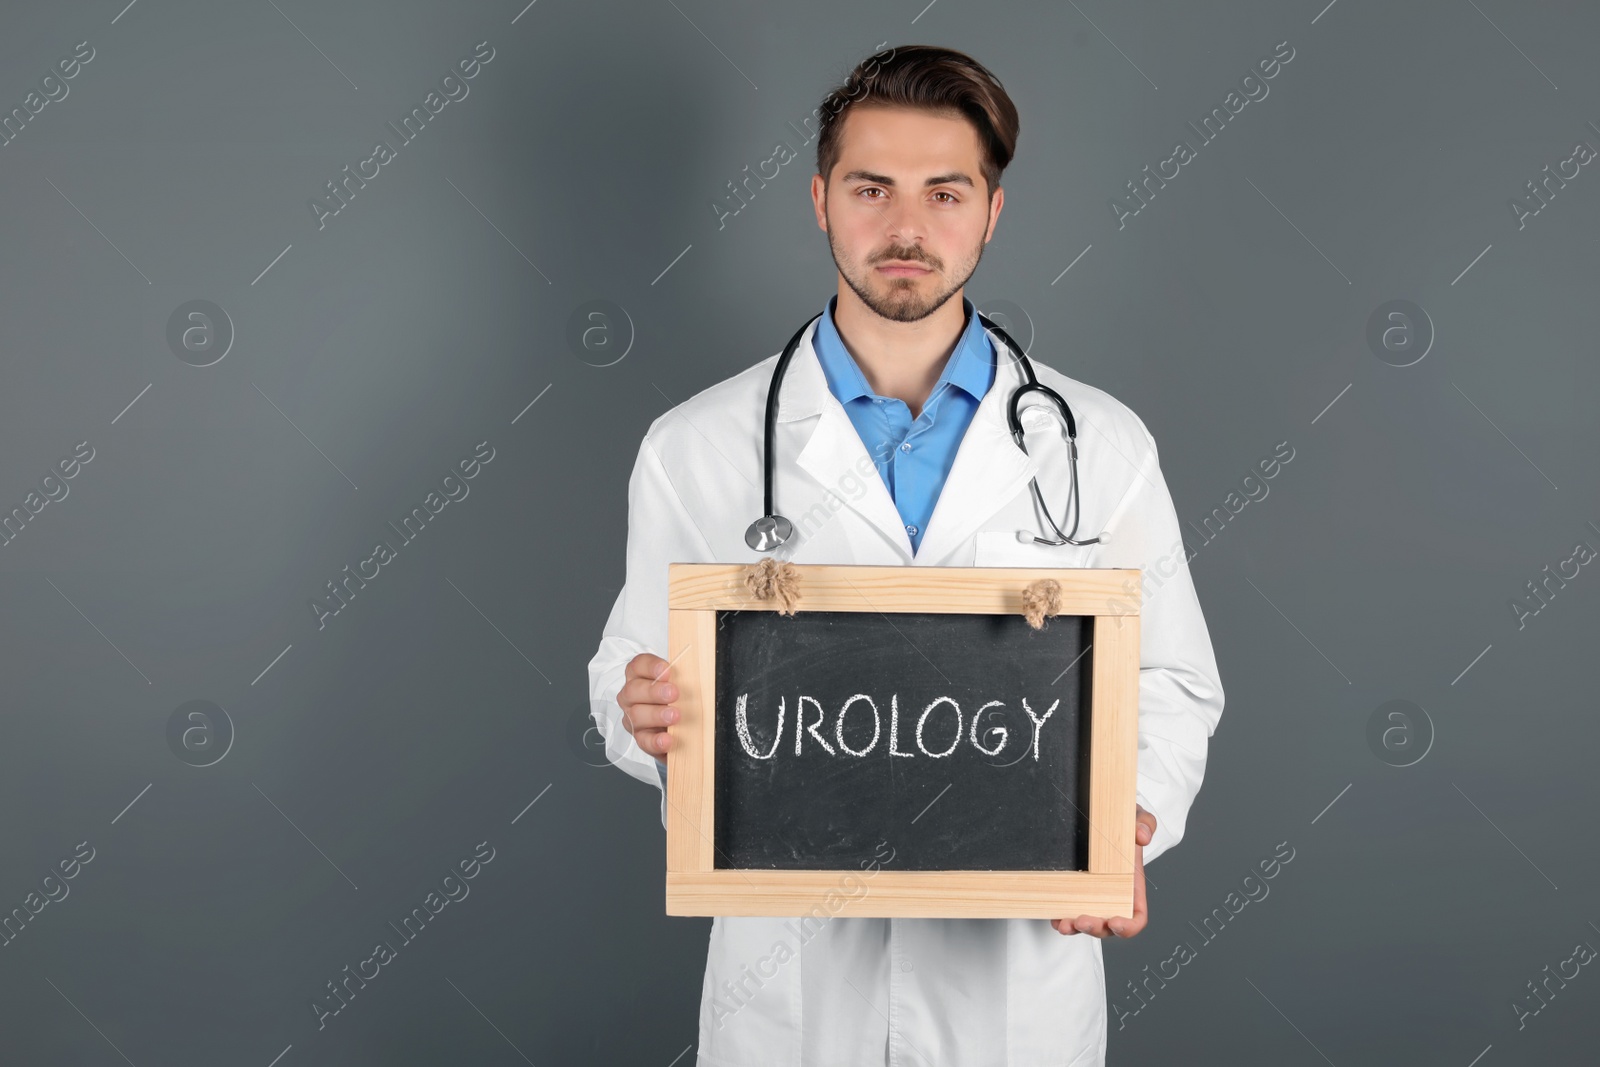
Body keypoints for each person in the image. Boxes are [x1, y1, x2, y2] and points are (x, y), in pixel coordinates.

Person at [586, 43, 1224, 1067]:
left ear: (992, 211)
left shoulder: (1097, 445)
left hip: (1012, 984)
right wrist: (641, 709)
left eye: (945, 191)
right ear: (820, 199)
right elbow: (628, 670)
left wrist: (1121, 822)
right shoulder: (698, 445)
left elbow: (1173, 681)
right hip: (789, 990)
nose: (906, 228)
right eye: (870, 187)